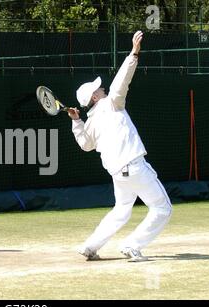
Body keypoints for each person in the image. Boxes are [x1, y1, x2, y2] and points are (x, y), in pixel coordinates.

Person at [68, 31, 172, 262]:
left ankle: (89, 247)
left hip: (118, 173)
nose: (102, 88)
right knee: (163, 209)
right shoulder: (111, 103)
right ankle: (132, 246)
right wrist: (134, 53)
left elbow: (85, 145)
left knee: (122, 210)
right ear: (95, 97)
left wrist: (77, 121)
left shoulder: (92, 121)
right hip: (133, 166)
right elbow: (121, 81)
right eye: (98, 89)